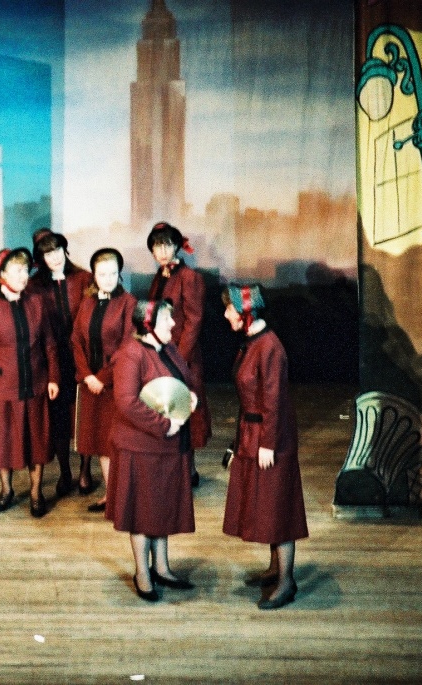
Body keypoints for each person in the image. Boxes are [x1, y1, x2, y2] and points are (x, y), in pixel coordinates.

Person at [221, 284, 308, 610]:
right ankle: (275, 569)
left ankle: (286, 582)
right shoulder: (251, 343)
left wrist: (268, 444)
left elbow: (274, 400)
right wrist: (238, 442)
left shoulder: (269, 347)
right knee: (266, 506)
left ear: (245, 312)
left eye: (230, 308)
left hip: (271, 439)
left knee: (278, 509)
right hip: (253, 434)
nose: (225, 314)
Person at [107, 299, 198, 602]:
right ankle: (142, 573)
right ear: (148, 326)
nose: (173, 324)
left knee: (161, 506)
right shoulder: (130, 354)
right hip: (141, 448)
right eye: (166, 319)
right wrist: (164, 425)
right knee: (142, 511)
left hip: (167, 446)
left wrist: (190, 397)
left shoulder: (168, 348)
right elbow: (126, 402)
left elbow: (182, 382)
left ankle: (161, 567)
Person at [0, 247, 60, 518]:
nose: (24, 276)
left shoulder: (38, 303)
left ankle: (36, 493)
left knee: (37, 441)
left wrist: (53, 377)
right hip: (2, 388)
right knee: (4, 442)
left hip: (36, 384)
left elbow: (50, 344)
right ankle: (6, 489)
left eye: (25, 270)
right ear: (2, 275)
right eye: (17, 270)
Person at [29, 228, 92, 497]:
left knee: (85, 413)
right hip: (52, 361)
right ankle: (65, 471)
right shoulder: (34, 286)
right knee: (59, 418)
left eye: (56, 251)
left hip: (83, 356)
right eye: (47, 254)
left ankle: (85, 470)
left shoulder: (84, 278)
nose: (54, 257)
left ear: (65, 250)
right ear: (40, 259)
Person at [71, 248, 136, 513]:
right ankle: (110, 496)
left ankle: (125, 498)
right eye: (102, 274)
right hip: (90, 384)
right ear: (94, 276)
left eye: (112, 273)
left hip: (116, 383)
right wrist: (87, 375)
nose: (108, 279)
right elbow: (76, 340)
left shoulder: (128, 303)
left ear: (119, 274)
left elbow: (127, 345)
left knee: (118, 441)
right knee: (99, 441)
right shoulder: (87, 302)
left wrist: (102, 378)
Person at [146, 222, 211, 485]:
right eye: (157, 246)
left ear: (176, 247)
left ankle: (189, 471)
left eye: (167, 245)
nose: (162, 251)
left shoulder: (189, 277)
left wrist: (179, 360)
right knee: (166, 409)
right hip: (162, 354)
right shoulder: (160, 276)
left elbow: (194, 321)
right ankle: (172, 468)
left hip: (184, 357)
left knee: (186, 410)